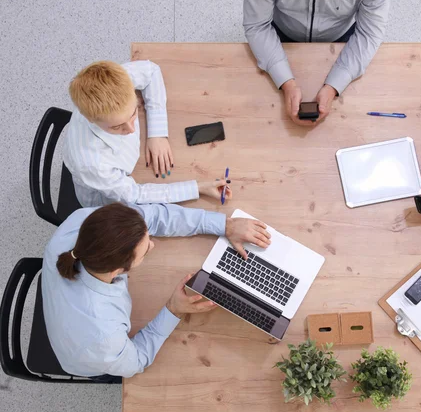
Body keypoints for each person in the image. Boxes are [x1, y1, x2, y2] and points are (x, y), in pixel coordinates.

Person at [42, 202, 271, 379]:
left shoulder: (81, 222)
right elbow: (137, 360)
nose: (153, 244)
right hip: (89, 359)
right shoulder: (103, 338)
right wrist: (173, 309)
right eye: (145, 251)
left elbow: (155, 216)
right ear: (118, 270)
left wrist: (225, 225)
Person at [64, 60, 227, 207]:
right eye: (117, 127)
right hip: (107, 199)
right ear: (91, 119)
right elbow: (135, 196)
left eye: (133, 113)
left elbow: (151, 71)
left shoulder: (114, 83)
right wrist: (197, 187)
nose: (131, 129)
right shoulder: (93, 165)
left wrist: (157, 133)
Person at [243, 0, 394, 126]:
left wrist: (334, 86)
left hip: (341, 38)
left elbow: (368, 33)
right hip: (281, 33)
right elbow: (258, 26)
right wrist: (286, 82)